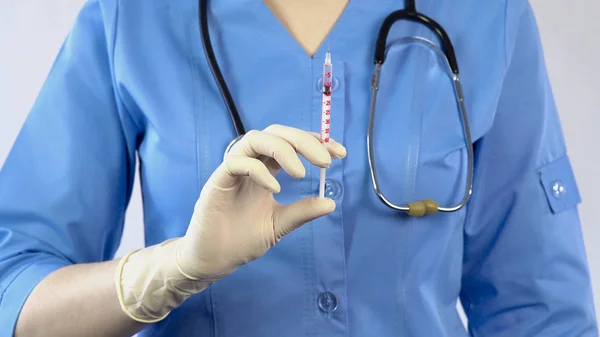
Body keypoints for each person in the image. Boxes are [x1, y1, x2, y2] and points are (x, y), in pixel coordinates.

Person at [0, 0, 597, 336]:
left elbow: (541, 312)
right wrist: (174, 270)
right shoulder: (134, 14)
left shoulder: (484, 14)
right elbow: (13, 291)